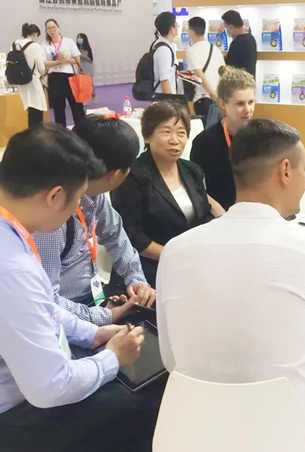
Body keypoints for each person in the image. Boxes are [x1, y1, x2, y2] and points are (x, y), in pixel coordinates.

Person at [157, 118, 305, 452]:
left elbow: (172, 360)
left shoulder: (175, 251)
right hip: (282, 437)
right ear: (285, 170)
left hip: (190, 433)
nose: (304, 182)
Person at [0, 125, 161, 452]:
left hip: (32, 375)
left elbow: (42, 305)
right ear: (55, 196)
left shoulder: (12, 235)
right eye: (76, 199)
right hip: (16, 408)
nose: (80, 208)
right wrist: (112, 357)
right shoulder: (13, 267)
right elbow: (50, 387)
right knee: (142, 400)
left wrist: (93, 333)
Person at [34, 116, 155, 326]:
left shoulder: (93, 195)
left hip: (92, 297)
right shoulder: (53, 218)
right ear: (115, 175)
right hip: (65, 317)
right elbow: (47, 300)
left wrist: (135, 278)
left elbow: (116, 236)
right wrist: (102, 317)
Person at [112, 102, 222, 288]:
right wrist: (174, 256)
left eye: (181, 133)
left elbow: (204, 215)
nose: (175, 140)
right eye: (166, 132)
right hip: (147, 272)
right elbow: (131, 234)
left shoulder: (192, 171)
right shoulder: (132, 176)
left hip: (190, 264)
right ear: (147, 136)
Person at [190, 66, 255, 210]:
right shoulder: (204, 143)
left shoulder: (264, 139)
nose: (248, 110)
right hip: (220, 215)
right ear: (223, 104)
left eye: (251, 102)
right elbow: (194, 187)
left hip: (258, 214)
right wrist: (217, 211)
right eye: (240, 104)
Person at [42, 19, 86, 127]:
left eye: (54, 27)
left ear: (58, 27)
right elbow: (44, 62)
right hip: (54, 78)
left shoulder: (68, 41)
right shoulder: (44, 44)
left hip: (70, 77)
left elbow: (77, 60)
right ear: (46, 31)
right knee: (58, 109)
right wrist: (57, 62)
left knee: (77, 106)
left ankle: (82, 130)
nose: (52, 30)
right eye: (49, 28)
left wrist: (66, 60)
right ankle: (61, 132)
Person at [186, 16, 226, 117]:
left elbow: (200, 76)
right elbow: (223, 73)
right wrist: (218, 96)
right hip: (218, 99)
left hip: (203, 98)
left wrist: (212, 94)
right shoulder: (216, 49)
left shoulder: (191, 51)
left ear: (191, 31)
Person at [14, 23, 47, 127]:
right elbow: (41, 67)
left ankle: (31, 134)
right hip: (33, 81)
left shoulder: (15, 44)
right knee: (37, 112)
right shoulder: (35, 46)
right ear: (35, 34)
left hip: (21, 81)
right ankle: (37, 135)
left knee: (30, 110)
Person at [222, 9, 257, 77]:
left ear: (231, 27)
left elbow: (230, 65)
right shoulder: (251, 38)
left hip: (239, 81)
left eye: (226, 28)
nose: (227, 31)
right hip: (250, 80)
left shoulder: (237, 42)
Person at [152, 12, 179, 96]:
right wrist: (170, 101)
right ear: (171, 28)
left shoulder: (161, 45)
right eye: (176, 25)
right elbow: (165, 81)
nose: (177, 27)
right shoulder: (164, 50)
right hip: (163, 99)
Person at [76, 33, 95, 101]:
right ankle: (84, 99)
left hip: (88, 68)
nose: (79, 39)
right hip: (81, 68)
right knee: (82, 85)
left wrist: (81, 55)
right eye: (78, 38)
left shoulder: (88, 49)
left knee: (90, 84)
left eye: (80, 38)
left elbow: (90, 59)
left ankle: (93, 96)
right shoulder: (76, 49)